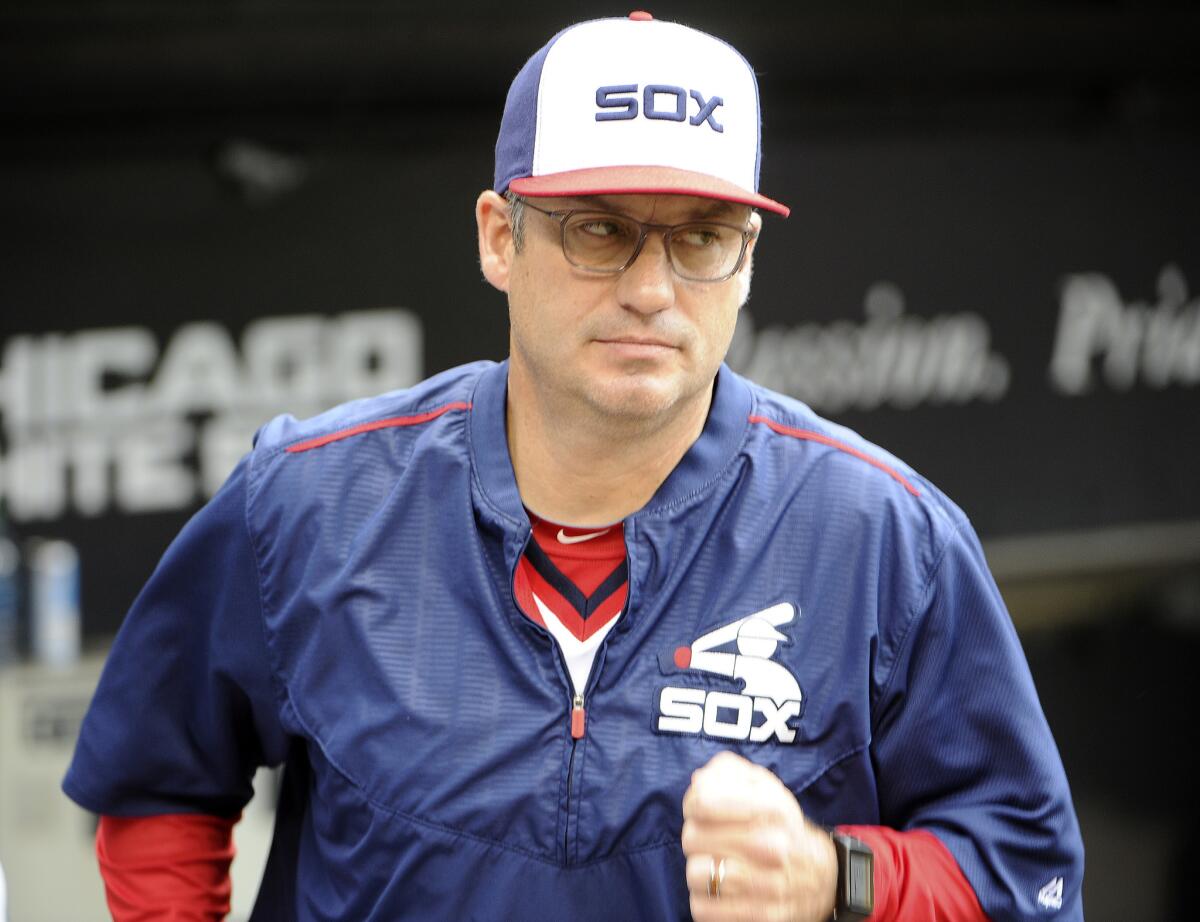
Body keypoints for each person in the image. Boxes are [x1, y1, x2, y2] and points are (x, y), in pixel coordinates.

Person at [63, 11, 1084, 921]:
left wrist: (834, 879)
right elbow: (158, 778)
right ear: (499, 238)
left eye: (703, 238)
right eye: (600, 229)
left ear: (749, 264)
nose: (652, 288)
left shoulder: (885, 540)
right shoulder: (311, 499)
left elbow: (1027, 877)